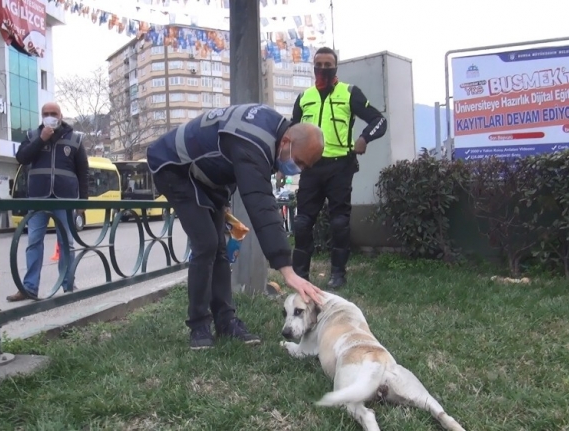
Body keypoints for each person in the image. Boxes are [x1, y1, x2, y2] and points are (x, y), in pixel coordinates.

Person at [147, 103, 325, 350]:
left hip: (205, 176)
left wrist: (222, 201)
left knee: (219, 246)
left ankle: (225, 320)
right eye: (299, 162)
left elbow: (227, 164)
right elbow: (261, 203)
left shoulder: (270, 132)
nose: (299, 169)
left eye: (304, 167)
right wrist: (287, 271)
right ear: (286, 142)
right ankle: (199, 325)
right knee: (207, 244)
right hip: (174, 167)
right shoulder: (254, 140)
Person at [291, 47, 388, 289]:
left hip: (339, 168)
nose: (323, 68)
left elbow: (379, 120)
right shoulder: (304, 97)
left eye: (328, 64)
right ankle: (300, 275)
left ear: (336, 67)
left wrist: (364, 138)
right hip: (311, 169)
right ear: (313, 67)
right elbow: (291, 133)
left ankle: (338, 274)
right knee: (302, 223)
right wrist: (284, 164)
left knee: (339, 223)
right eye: (319, 64)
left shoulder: (349, 93)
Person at [7, 101, 89, 302]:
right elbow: (22, 158)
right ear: (41, 116)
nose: (50, 116)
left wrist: (82, 203)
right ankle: (29, 288)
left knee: (67, 243)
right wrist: (42, 139)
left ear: (61, 115)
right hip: (38, 198)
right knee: (34, 242)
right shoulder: (32, 136)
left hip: (65, 198)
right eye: (46, 113)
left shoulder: (75, 139)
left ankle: (68, 285)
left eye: (54, 113)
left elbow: (83, 172)